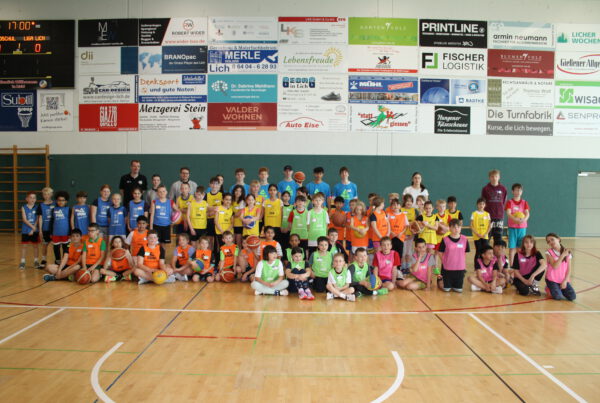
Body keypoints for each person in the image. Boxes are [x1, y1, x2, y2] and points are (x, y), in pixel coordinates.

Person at [437, 219, 470, 293]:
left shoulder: (464, 239)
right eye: (454, 227)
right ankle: (440, 280)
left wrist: (462, 263)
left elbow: (465, 253)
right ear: (450, 228)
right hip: (447, 268)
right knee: (446, 289)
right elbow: (440, 252)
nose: (456, 229)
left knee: (458, 290)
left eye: (458, 227)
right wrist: (445, 261)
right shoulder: (445, 239)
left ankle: (454, 283)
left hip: (460, 268)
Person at [544, 233, 576, 301]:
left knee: (572, 297)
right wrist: (563, 255)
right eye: (548, 241)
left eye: (552, 239)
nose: (551, 242)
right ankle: (549, 288)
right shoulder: (549, 252)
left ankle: (558, 288)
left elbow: (569, 269)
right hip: (552, 279)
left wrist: (565, 281)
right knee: (558, 297)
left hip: (562, 280)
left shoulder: (567, 252)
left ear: (558, 239)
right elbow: (555, 266)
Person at [506, 183, 530, 268]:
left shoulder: (524, 202)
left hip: (522, 228)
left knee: (520, 248)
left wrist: (524, 219)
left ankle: (520, 264)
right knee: (512, 247)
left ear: (522, 192)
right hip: (512, 228)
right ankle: (512, 265)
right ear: (513, 191)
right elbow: (508, 213)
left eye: (519, 190)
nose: (518, 192)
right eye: (516, 190)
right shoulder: (510, 202)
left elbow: (527, 213)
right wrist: (514, 219)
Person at [481, 169, 508, 243]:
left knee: (498, 239)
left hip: (499, 217)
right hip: (488, 217)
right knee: (486, 238)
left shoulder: (503, 189)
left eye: (496, 176)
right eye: (492, 176)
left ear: (499, 177)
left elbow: (503, 202)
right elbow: (483, 202)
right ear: (489, 178)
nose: (494, 178)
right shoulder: (485, 189)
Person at [20, 191, 40, 270]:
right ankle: (22, 261)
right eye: (30, 197)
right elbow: (24, 219)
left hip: (34, 230)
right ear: (27, 199)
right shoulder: (23, 207)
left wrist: (34, 229)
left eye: (34, 198)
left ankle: (36, 261)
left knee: (35, 246)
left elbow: (37, 219)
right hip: (25, 230)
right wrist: (32, 227)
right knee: (24, 246)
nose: (32, 199)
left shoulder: (37, 207)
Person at [50, 191, 71, 264]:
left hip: (66, 233)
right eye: (59, 200)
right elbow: (51, 222)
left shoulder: (69, 209)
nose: (61, 202)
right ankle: (58, 261)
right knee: (56, 248)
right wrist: (51, 232)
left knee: (66, 249)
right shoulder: (53, 210)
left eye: (63, 200)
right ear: (56, 201)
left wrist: (70, 233)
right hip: (55, 233)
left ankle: (65, 262)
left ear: (66, 201)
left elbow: (71, 221)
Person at [38, 187, 55, 268]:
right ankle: (44, 259)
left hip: (54, 229)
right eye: (45, 194)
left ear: (51, 194)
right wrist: (40, 230)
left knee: (55, 245)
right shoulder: (41, 205)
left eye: (48, 194)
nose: (46, 196)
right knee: (45, 245)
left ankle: (56, 260)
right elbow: (40, 218)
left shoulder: (55, 204)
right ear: (43, 195)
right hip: (45, 229)